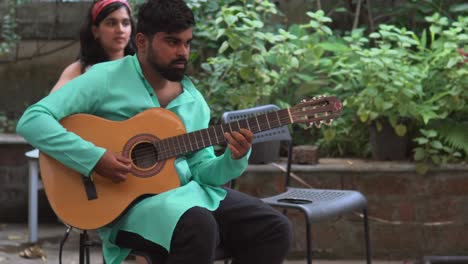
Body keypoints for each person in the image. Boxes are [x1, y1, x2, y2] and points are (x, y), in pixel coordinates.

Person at [16, 0, 292, 263]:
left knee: (274, 228)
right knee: (198, 225)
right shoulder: (104, 78)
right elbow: (33, 120)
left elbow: (202, 170)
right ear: (142, 42)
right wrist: (95, 158)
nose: (183, 52)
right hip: (126, 209)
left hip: (190, 196)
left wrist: (233, 158)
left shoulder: (193, 100)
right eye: (172, 42)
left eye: (186, 43)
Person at [51, 0, 135, 92]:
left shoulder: (140, 67)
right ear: (95, 31)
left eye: (125, 23)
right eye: (111, 23)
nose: (120, 30)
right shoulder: (79, 71)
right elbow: (51, 103)